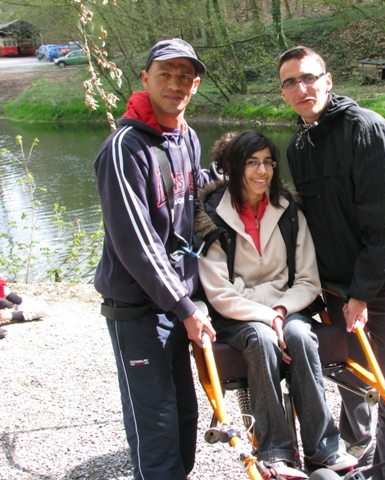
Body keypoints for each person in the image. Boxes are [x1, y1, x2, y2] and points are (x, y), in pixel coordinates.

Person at [278, 46, 385, 480]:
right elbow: (313, 226)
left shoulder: (367, 129)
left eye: (309, 77)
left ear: (328, 80)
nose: (301, 88)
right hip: (338, 288)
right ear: (283, 93)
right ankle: (352, 451)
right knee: (353, 376)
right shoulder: (299, 146)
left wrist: (362, 293)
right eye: (290, 82)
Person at [195, 130, 357, 473]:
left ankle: (324, 449)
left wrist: (281, 311)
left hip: (289, 306)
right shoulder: (211, 216)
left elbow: (309, 279)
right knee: (262, 337)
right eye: (251, 163)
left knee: (299, 336)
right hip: (238, 314)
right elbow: (219, 292)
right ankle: (275, 452)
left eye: (268, 162)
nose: (261, 172)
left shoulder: (289, 210)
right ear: (233, 167)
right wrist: (268, 319)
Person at [93, 38, 216, 480]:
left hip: (177, 302)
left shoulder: (187, 138)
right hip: (139, 309)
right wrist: (185, 308)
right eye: (165, 73)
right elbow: (136, 241)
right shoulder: (124, 148)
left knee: (185, 412)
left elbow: (192, 190)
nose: (176, 83)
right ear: (145, 78)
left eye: (185, 75)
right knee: (156, 423)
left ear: (196, 85)